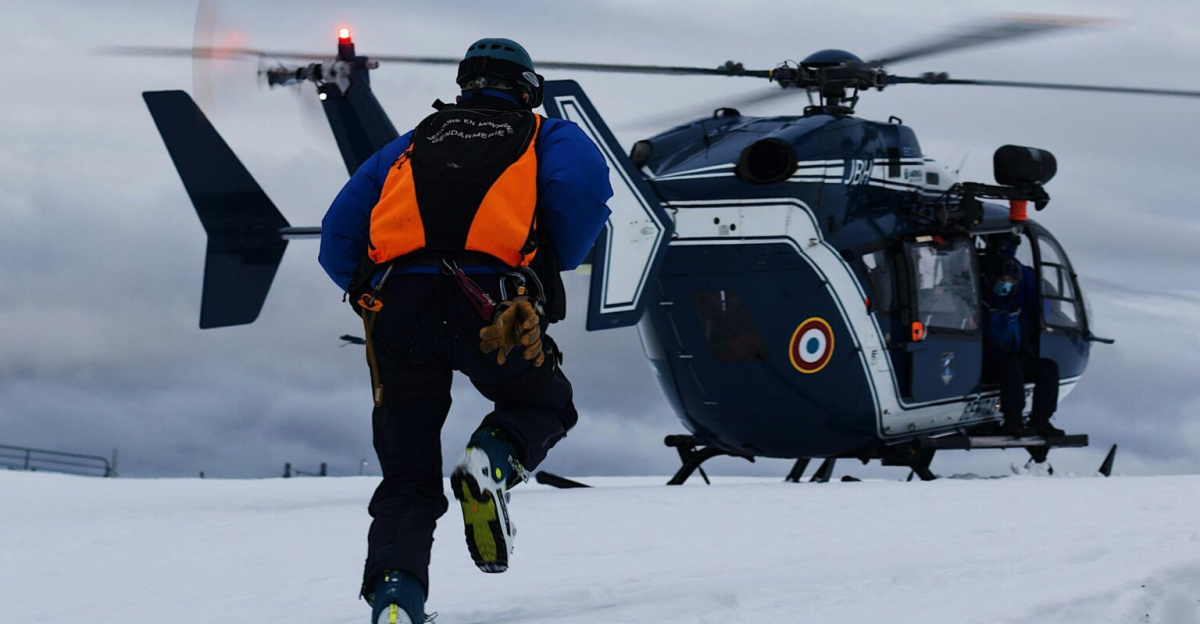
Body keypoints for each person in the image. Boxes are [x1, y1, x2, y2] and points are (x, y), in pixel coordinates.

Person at [318, 37, 611, 624]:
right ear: (529, 90)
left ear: (464, 87)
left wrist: (370, 295)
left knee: (406, 478)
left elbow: (337, 237)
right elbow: (580, 200)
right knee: (547, 404)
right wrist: (540, 271)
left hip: (397, 309)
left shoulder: (408, 145)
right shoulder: (547, 135)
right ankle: (492, 461)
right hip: (494, 308)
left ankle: (397, 602)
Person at [981, 246, 1064, 438]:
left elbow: (1023, 337)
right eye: (1002, 280)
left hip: (1013, 362)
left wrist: (1027, 355)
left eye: (1010, 281)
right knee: (1011, 366)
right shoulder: (983, 307)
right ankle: (1013, 419)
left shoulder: (1015, 310)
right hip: (988, 361)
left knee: (1048, 367)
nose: (1005, 284)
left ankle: (1041, 419)